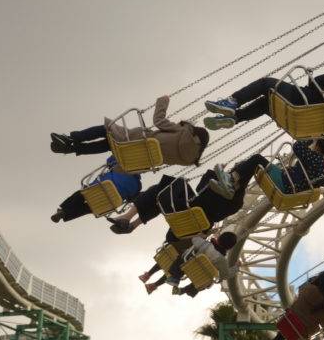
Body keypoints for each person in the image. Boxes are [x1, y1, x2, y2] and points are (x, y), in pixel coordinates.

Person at [107, 154, 266, 235]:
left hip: (190, 208)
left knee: (167, 186)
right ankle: (131, 224)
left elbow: (201, 187)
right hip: (192, 218)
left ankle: (128, 218)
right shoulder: (237, 203)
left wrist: (215, 174)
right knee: (161, 194)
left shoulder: (228, 193)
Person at [50, 95, 209, 166]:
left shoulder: (183, 133)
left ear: (194, 133)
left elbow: (158, 120)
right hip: (135, 159)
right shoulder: (188, 161)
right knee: (110, 144)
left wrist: (163, 100)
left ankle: (71, 139)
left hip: (135, 140)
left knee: (107, 128)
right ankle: (71, 148)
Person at [202, 72, 324, 132]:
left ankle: (232, 102)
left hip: (302, 102)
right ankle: (235, 118)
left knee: (267, 84)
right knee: (267, 103)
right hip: (304, 126)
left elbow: (318, 80)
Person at [213, 138, 324, 199]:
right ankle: (233, 185)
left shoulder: (318, 159)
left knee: (257, 159)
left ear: (320, 147)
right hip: (291, 192)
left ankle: (231, 181)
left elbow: (297, 146)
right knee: (256, 167)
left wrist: (310, 139)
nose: (313, 147)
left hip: (284, 182)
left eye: (316, 145)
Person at [140, 231, 237, 297]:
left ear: (219, 238)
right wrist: (236, 267)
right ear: (229, 248)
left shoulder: (204, 244)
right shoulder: (222, 260)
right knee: (208, 280)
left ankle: (158, 278)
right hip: (197, 276)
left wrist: (204, 235)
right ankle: (182, 290)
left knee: (180, 257)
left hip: (185, 265)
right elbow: (226, 275)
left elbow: (194, 239)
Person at [51, 155, 142, 223]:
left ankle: (63, 211)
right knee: (89, 208)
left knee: (82, 194)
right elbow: (130, 200)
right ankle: (64, 213)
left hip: (99, 187)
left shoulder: (121, 164)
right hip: (109, 203)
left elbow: (109, 161)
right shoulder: (138, 186)